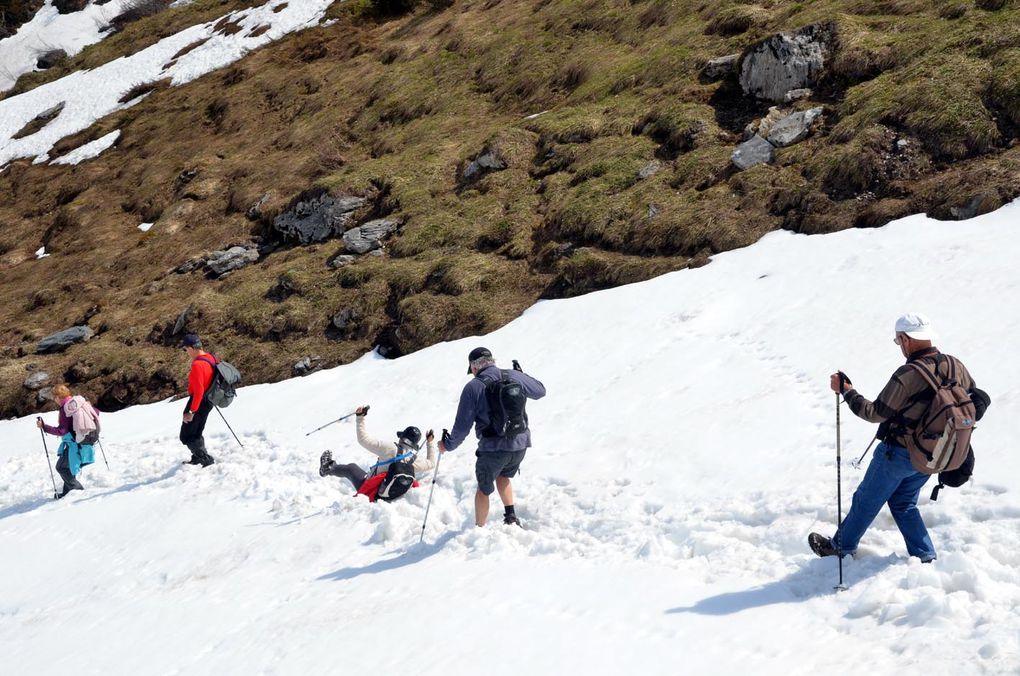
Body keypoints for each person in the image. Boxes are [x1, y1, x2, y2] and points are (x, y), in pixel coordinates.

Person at [809, 313, 981, 563]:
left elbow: (874, 413)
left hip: (898, 454)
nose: (899, 346)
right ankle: (925, 555)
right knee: (903, 503)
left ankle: (840, 547)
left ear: (906, 339)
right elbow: (972, 398)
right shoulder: (956, 365)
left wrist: (847, 392)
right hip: (933, 453)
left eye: (898, 341)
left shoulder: (909, 373)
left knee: (866, 500)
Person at [439, 347, 546, 528]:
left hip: (493, 449)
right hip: (520, 444)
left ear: (474, 367)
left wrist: (447, 445)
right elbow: (540, 391)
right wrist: (522, 375)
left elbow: (462, 427)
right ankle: (511, 517)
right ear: (492, 361)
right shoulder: (512, 375)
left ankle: (479, 529)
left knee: (483, 490)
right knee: (504, 475)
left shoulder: (473, 387)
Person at [318, 405, 437, 502]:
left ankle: (327, 468)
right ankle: (328, 468)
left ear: (402, 438)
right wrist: (430, 443)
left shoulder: (390, 448)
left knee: (351, 468)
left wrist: (360, 418)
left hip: (372, 489)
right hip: (391, 491)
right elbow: (431, 463)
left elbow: (363, 440)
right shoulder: (414, 459)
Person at [36, 384, 98, 499]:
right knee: (69, 467)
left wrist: (44, 427)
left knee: (61, 467)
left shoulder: (66, 408)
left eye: (54, 397)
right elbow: (96, 413)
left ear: (57, 397)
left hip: (74, 443)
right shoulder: (77, 402)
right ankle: (67, 493)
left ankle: (78, 491)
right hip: (84, 440)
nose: (54, 399)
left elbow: (62, 431)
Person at [180, 334, 216, 467]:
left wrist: (192, 411)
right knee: (197, 430)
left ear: (191, 348)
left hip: (198, 401)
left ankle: (204, 459)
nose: (186, 352)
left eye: (185, 349)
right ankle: (197, 457)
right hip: (209, 399)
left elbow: (199, 390)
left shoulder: (198, 365)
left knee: (187, 435)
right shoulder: (211, 358)